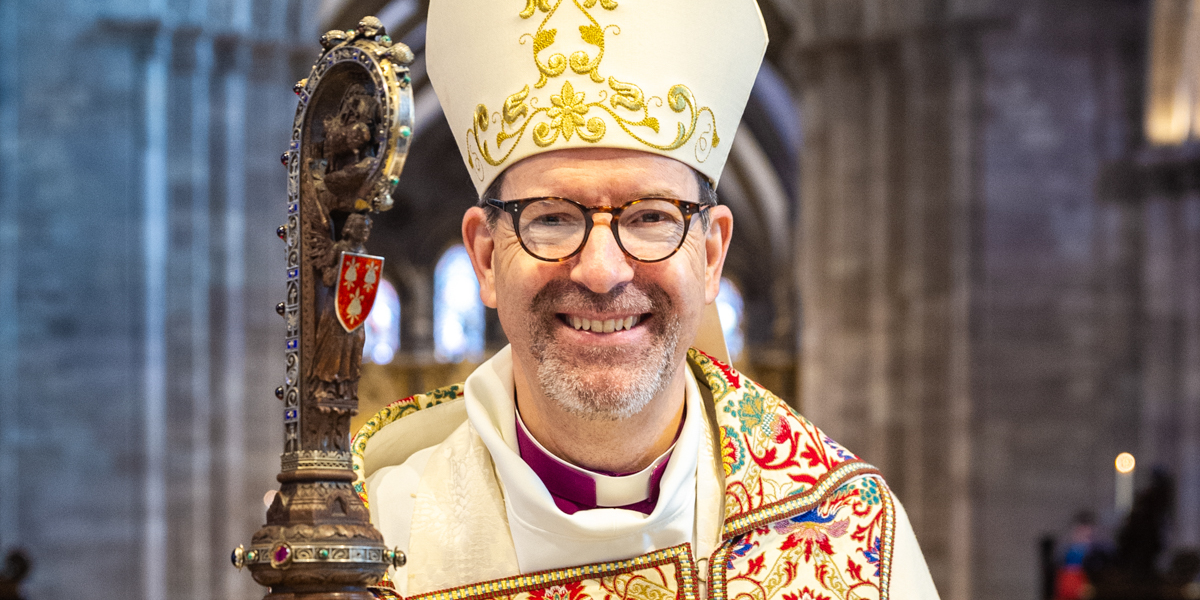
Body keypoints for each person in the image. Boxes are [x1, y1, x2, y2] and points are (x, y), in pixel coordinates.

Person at [352, 0, 941, 598]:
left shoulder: (850, 537)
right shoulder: (368, 542)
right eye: (551, 218)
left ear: (711, 256)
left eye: (652, 217)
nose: (602, 272)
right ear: (484, 258)